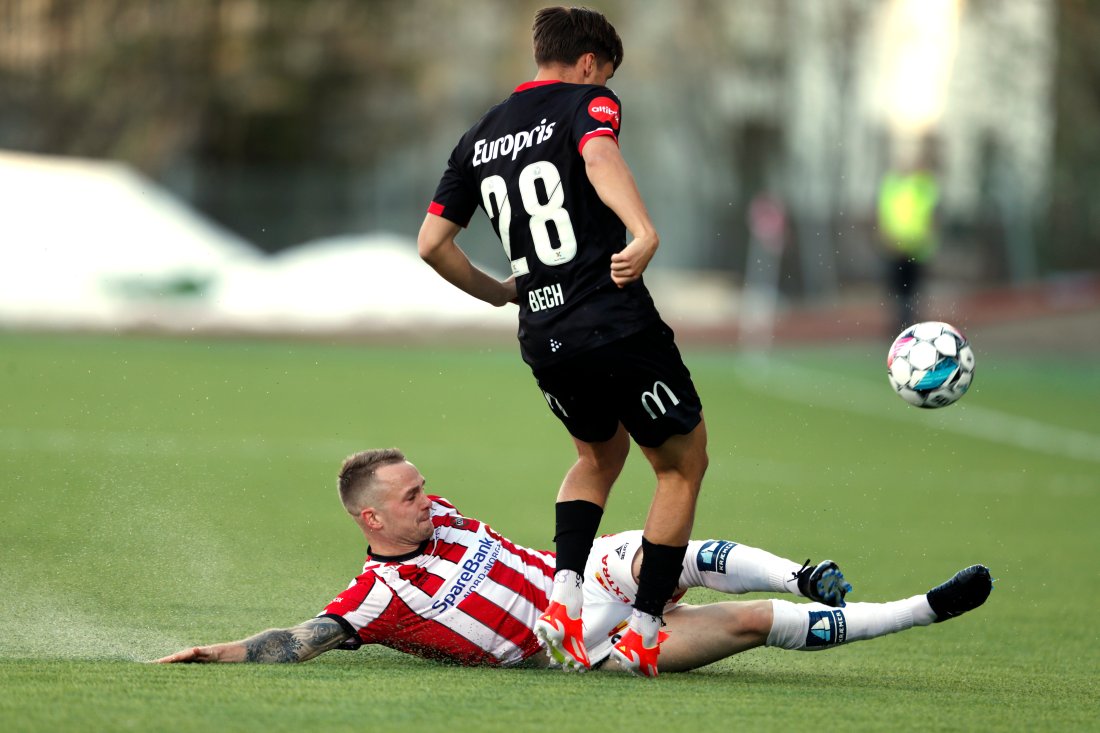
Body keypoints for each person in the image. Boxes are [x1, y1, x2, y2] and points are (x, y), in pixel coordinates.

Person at [416, 6, 712, 676]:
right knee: (680, 462)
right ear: (588, 64)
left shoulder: (479, 135)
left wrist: (500, 292)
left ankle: (563, 599)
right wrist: (641, 230)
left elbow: (432, 243)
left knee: (597, 455)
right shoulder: (589, 101)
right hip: (612, 317)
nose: (609, 87)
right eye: (606, 74)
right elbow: (599, 152)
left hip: (544, 332)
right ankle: (642, 629)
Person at [155, 449, 993, 676]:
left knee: (673, 548)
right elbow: (301, 638)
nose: (429, 497)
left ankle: (803, 572)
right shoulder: (378, 596)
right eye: (410, 495)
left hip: (586, 576)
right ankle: (922, 608)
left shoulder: (440, 517)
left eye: (423, 486)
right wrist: (218, 651)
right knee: (745, 626)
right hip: (582, 645)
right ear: (371, 517)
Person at [877, 140, 941, 337]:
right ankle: (898, 324)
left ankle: (910, 324)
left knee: (913, 287)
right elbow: (884, 212)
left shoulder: (924, 184)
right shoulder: (891, 184)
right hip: (894, 246)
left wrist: (926, 239)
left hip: (917, 246)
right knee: (896, 287)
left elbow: (932, 213)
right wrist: (886, 237)